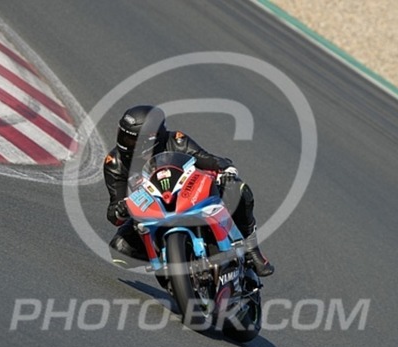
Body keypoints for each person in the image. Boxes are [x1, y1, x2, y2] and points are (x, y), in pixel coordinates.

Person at [103, 105, 274, 277]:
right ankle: (166, 257)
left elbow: (208, 159)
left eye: (132, 140)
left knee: (236, 188)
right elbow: (114, 210)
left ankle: (251, 249)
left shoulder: (176, 141)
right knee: (119, 250)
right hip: (152, 212)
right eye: (123, 136)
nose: (125, 144)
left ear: (152, 139)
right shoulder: (115, 163)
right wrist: (120, 210)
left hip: (188, 196)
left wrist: (225, 169)